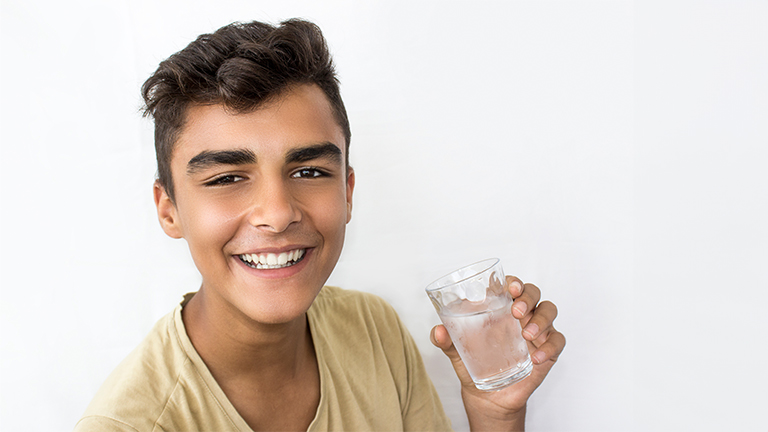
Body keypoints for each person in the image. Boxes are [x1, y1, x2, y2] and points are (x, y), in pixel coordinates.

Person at [74, 18, 565, 432]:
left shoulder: (375, 330)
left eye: (309, 172)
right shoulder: (131, 423)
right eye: (227, 178)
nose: (278, 212)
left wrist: (496, 414)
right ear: (169, 210)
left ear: (347, 192)